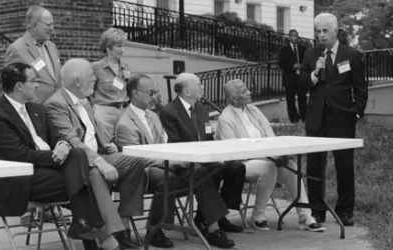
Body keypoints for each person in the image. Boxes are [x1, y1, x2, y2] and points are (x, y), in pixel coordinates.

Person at [0, 62, 103, 250]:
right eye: (34, 80)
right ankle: (87, 233)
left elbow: (57, 136)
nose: (38, 85)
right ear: (19, 85)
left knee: (78, 154)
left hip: (48, 171)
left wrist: (63, 145)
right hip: (18, 177)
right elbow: (19, 155)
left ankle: (81, 224)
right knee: (85, 179)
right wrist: (55, 157)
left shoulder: (37, 109)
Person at [115, 74, 236, 249]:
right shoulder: (125, 123)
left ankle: (213, 229)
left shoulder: (153, 115)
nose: (155, 95)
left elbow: (166, 143)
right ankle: (155, 230)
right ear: (135, 93)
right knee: (168, 178)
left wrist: (178, 159)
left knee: (202, 172)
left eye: (156, 91)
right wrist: (170, 162)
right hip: (144, 171)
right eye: (151, 92)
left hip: (168, 165)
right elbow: (135, 159)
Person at [45, 59, 149, 249]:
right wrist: (100, 161)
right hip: (76, 162)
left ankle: (123, 224)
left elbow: (89, 133)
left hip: (96, 155)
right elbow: (72, 141)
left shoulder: (84, 101)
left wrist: (104, 146)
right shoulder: (56, 104)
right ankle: (110, 239)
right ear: (77, 81)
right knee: (96, 174)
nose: (96, 80)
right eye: (91, 77)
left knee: (135, 163)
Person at [215, 79, 325, 232]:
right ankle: (258, 215)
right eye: (244, 91)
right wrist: (271, 157)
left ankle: (305, 216)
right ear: (234, 98)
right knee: (269, 166)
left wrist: (278, 154)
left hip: (268, 159)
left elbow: (270, 136)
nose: (249, 93)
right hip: (242, 164)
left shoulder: (254, 110)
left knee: (291, 166)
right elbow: (237, 151)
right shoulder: (225, 119)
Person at [299, 13, 368, 226]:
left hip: (342, 120)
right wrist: (314, 73)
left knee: (344, 166)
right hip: (316, 120)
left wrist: (356, 112)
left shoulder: (352, 55)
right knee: (314, 168)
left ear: (336, 31)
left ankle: (345, 212)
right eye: (317, 31)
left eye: (325, 31)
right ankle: (317, 211)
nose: (321, 35)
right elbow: (301, 84)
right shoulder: (310, 55)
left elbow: (360, 87)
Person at [159, 73, 246, 234]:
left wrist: (218, 155)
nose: (202, 87)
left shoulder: (200, 107)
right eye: (199, 84)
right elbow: (174, 145)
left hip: (207, 158)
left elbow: (208, 137)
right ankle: (212, 219)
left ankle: (210, 217)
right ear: (187, 91)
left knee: (237, 167)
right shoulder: (169, 111)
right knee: (212, 170)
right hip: (186, 163)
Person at [4, 5, 61, 103]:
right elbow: (10, 87)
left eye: (52, 25)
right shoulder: (16, 49)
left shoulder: (52, 47)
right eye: (48, 25)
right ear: (34, 25)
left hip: (57, 109)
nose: (52, 29)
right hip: (34, 112)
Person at [91, 27, 132, 144]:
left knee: (125, 146)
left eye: (123, 46)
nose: (123, 50)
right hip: (104, 112)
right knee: (107, 147)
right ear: (108, 47)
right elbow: (87, 92)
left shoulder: (126, 67)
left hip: (124, 111)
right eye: (119, 46)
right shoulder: (96, 67)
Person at [280, 29, 307, 123]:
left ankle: (304, 118)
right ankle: (294, 119)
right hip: (289, 78)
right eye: (293, 36)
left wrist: (302, 66)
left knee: (302, 98)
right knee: (290, 100)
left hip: (300, 78)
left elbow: (307, 62)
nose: (295, 38)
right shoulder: (284, 50)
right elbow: (282, 64)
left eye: (296, 36)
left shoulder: (302, 49)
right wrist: (293, 66)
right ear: (289, 37)